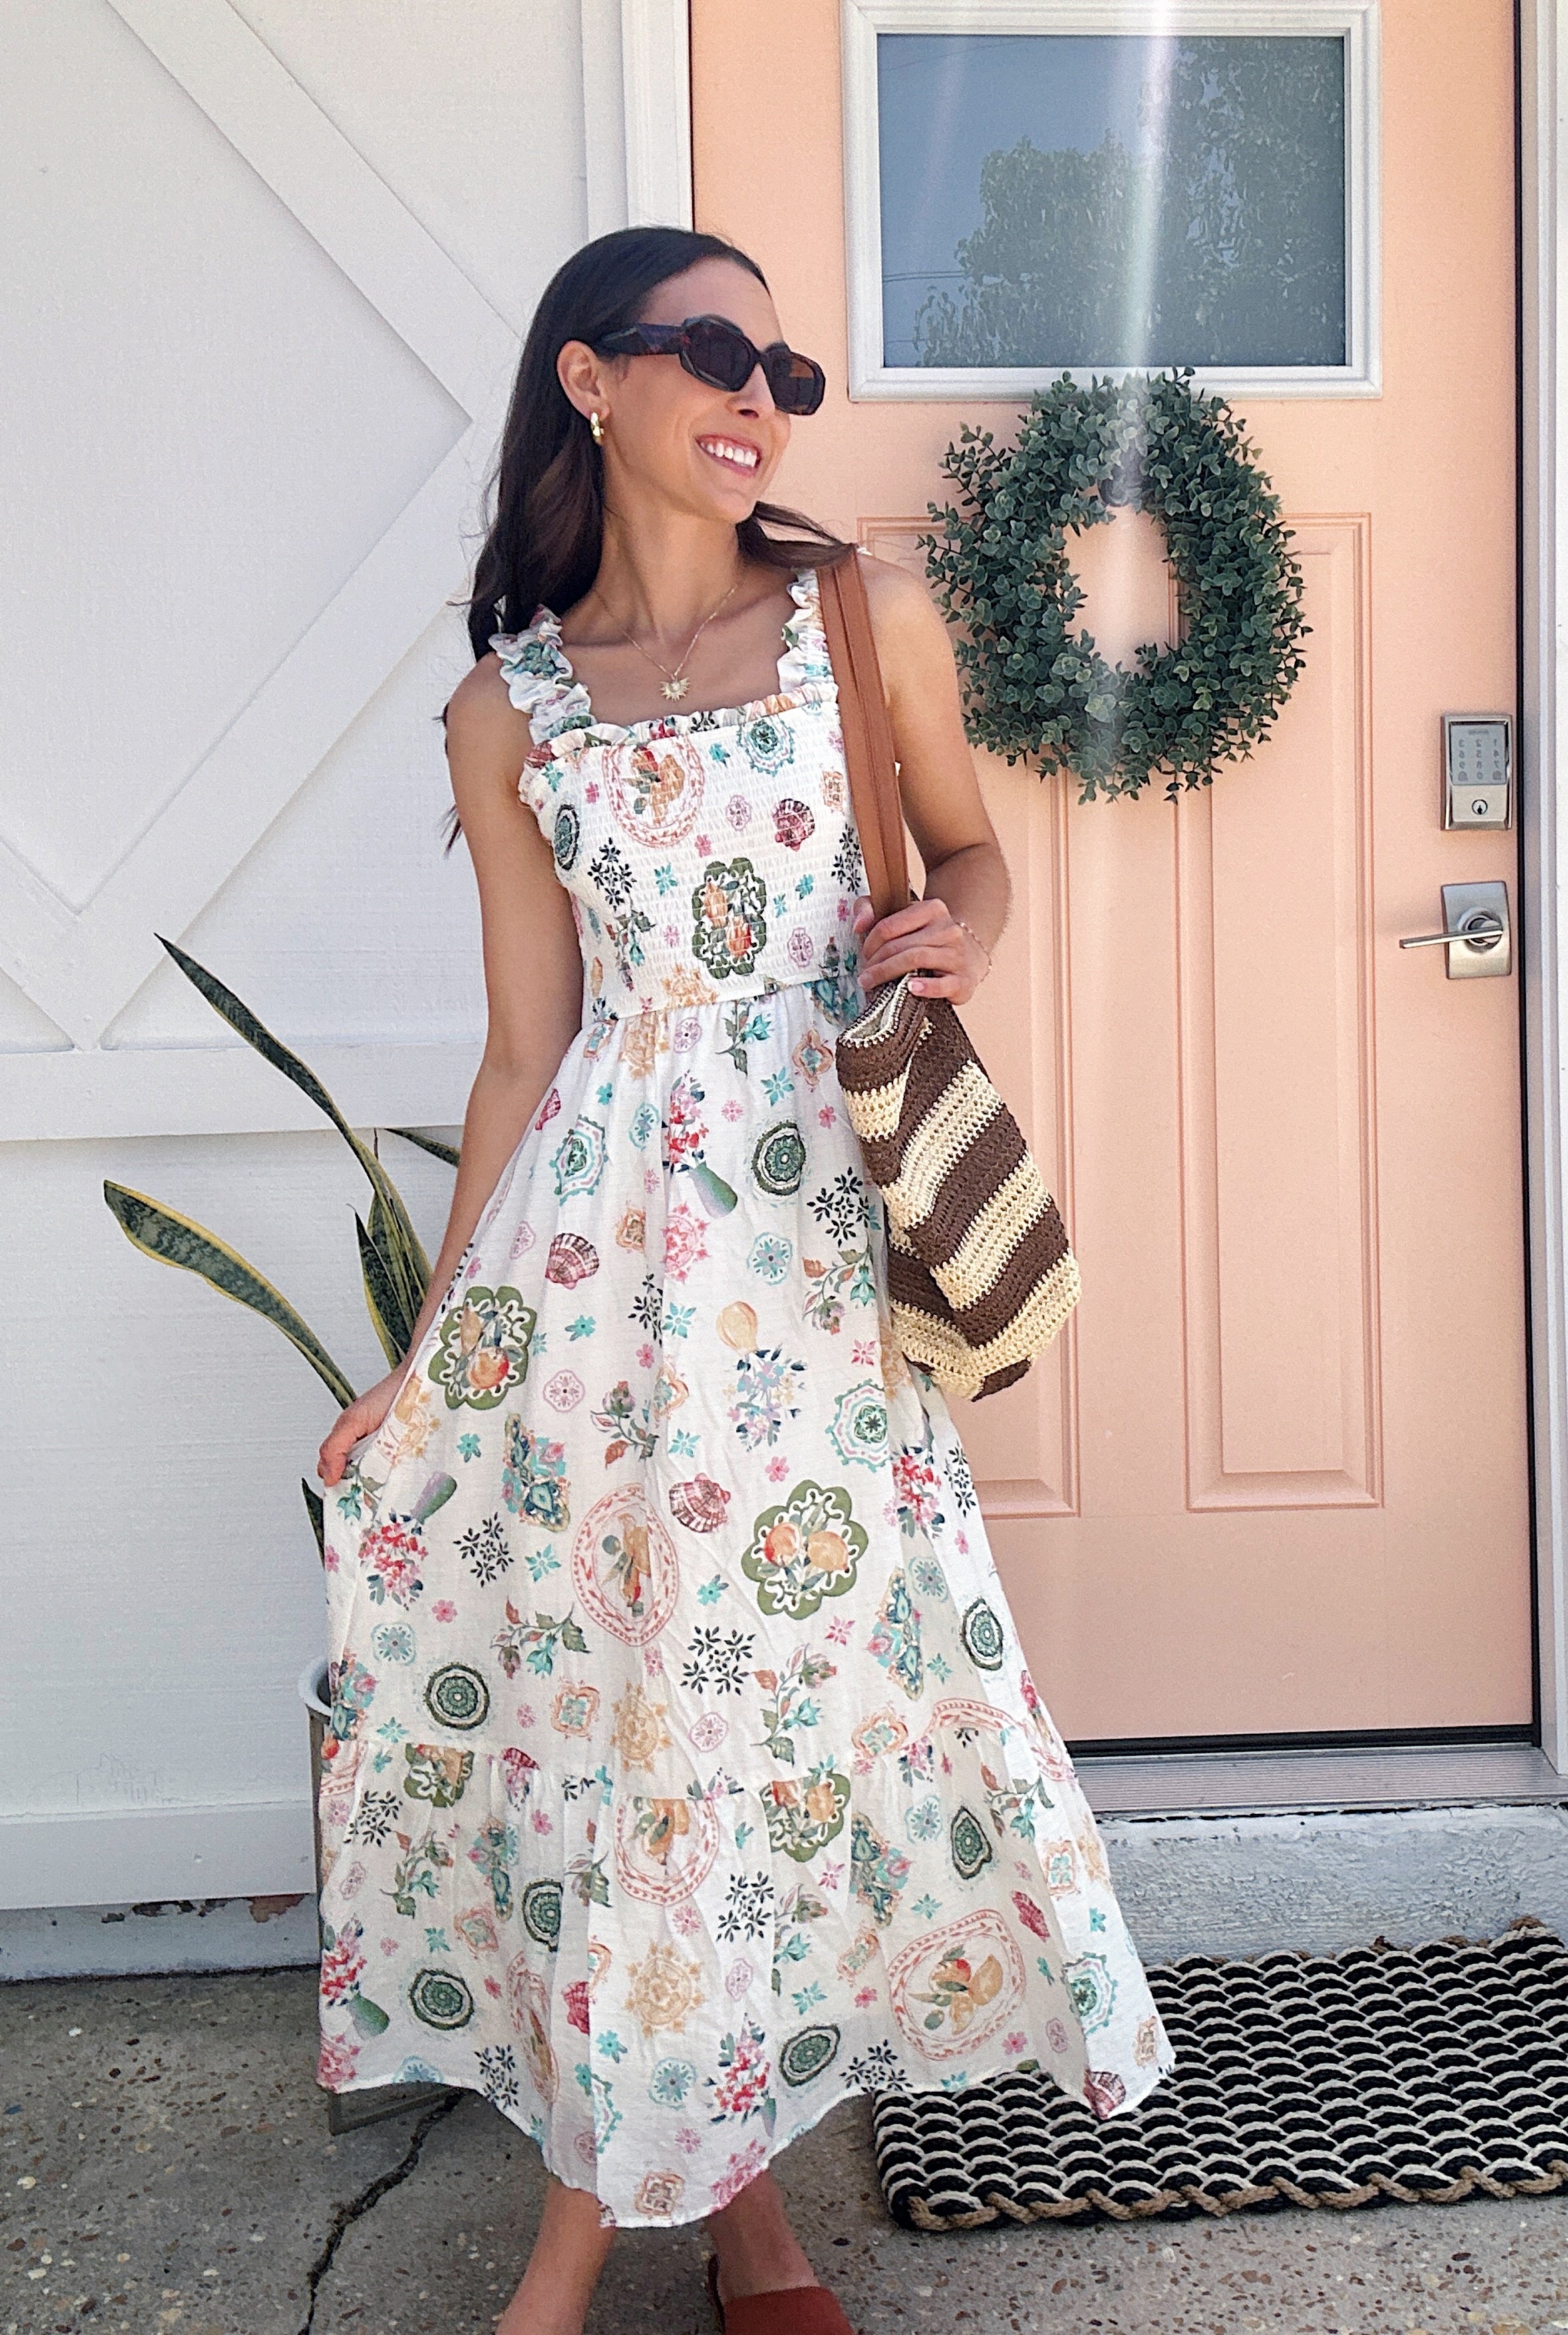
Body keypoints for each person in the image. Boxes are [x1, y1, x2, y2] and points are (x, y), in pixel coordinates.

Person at [313, 228, 1172, 2334]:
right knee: (623, 1739)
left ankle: (673, 2235)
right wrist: (432, 1360)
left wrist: (965, 927)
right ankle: (731, 2230)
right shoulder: (505, 712)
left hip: (804, 1275)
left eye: (781, 358)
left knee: (769, 1735)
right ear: (592, 379)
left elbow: (964, 854)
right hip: (591, 1295)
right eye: (714, 346)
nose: (761, 387)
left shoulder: (858, 622)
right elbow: (526, 1046)